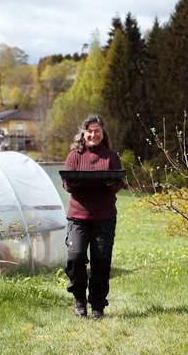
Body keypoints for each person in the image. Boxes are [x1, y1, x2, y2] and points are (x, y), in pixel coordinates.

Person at [62, 115, 123, 319]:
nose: (93, 134)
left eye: (97, 131)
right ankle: (79, 299)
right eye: (89, 131)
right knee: (76, 257)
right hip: (78, 217)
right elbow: (67, 184)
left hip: (104, 217)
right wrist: (79, 183)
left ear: (102, 134)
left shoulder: (111, 157)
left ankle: (97, 305)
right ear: (83, 133)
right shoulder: (74, 156)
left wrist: (108, 183)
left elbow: (118, 184)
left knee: (101, 261)